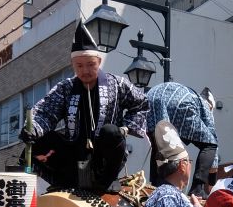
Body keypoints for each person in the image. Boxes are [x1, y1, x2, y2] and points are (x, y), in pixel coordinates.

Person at [18, 21, 148, 192]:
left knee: (111, 132)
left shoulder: (117, 84)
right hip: (74, 154)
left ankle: (107, 181)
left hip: (105, 155)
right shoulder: (65, 88)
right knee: (38, 142)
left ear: (99, 61)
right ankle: (64, 181)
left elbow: (142, 103)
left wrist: (125, 128)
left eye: (90, 64)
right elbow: (45, 112)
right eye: (79, 65)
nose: (85, 70)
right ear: (73, 64)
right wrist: (33, 129)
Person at [146, 82, 218, 197]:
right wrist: (211, 182)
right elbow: (212, 139)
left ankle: (156, 184)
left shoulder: (191, 95)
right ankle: (197, 189)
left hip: (150, 98)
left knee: (160, 144)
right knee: (210, 144)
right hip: (179, 102)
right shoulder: (204, 105)